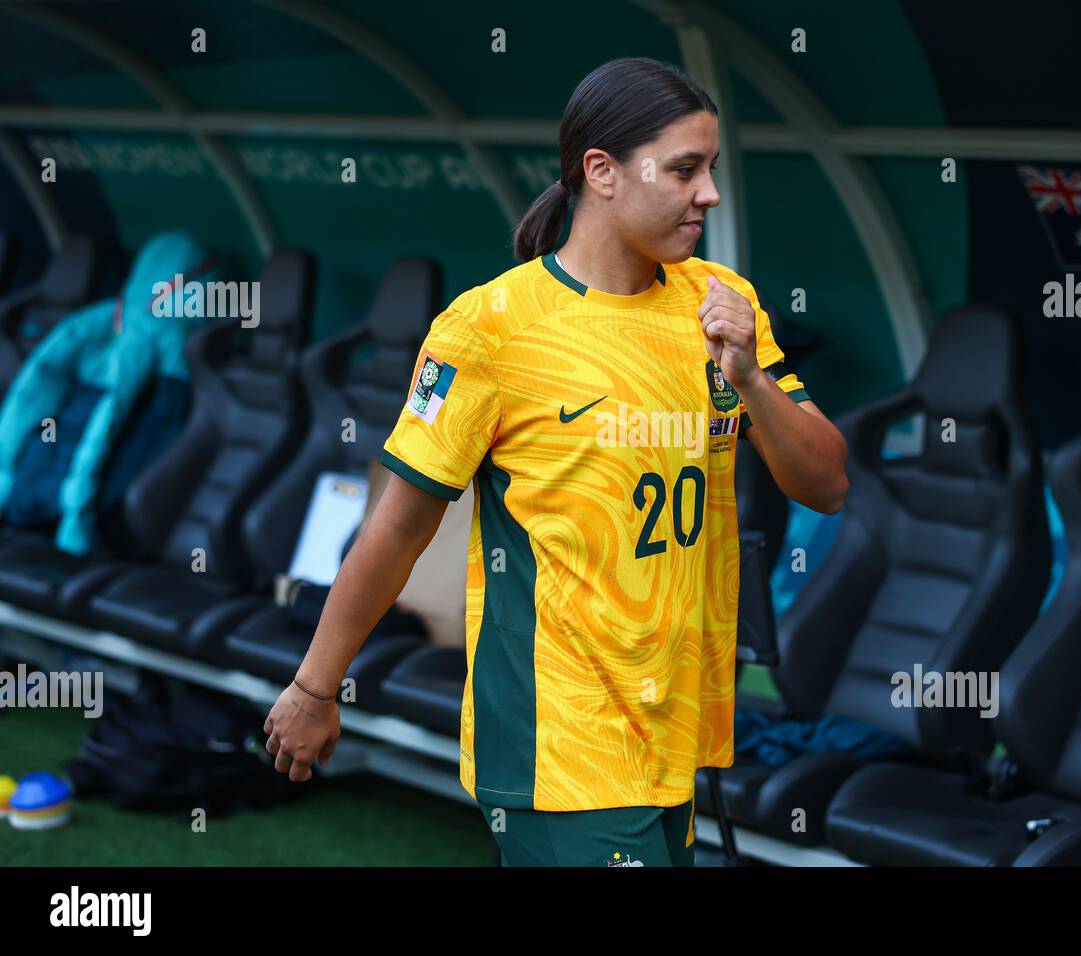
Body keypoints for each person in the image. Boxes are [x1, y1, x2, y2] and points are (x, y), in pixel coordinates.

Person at [262, 56, 848, 867]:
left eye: (710, 169)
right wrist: (315, 688)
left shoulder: (723, 305)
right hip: (561, 744)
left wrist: (748, 377)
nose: (708, 193)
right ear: (601, 172)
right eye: (684, 169)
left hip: (678, 729)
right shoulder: (491, 329)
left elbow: (826, 484)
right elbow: (397, 527)